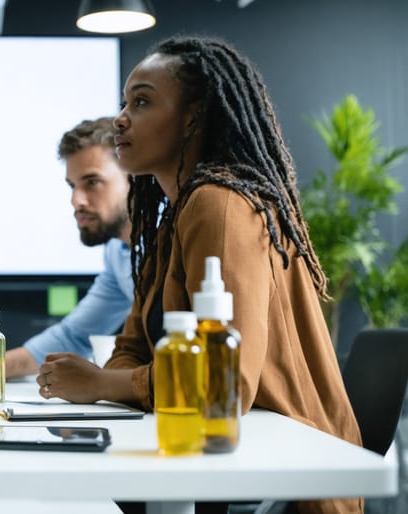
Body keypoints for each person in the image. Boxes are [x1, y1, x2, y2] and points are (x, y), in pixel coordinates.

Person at [36, 35, 361, 514]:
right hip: (228, 467)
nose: (121, 118)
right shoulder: (173, 217)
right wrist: (126, 380)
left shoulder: (219, 206)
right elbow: (130, 350)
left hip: (284, 484)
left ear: (193, 115)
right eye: (124, 102)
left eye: (142, 101)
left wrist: (104, 385)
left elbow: (221, 386)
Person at [5, 117, 134, 378]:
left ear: (135, 177)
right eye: (72, 186)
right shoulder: (118, 254)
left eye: (93, 182)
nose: (77, 200)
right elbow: (73, 336)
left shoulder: (180, 239)